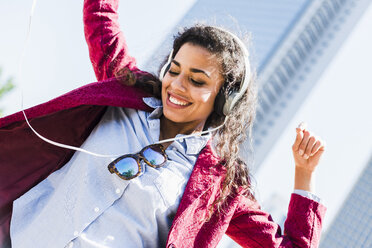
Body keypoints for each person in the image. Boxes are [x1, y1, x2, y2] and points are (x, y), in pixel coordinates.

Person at [0, 0, 326, 247]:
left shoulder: (220, 186)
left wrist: (304, 175)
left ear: (224, 100)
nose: (178, 85)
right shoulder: (126, 89)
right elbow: (102, 21)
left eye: (197, 80)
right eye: (174, 69)